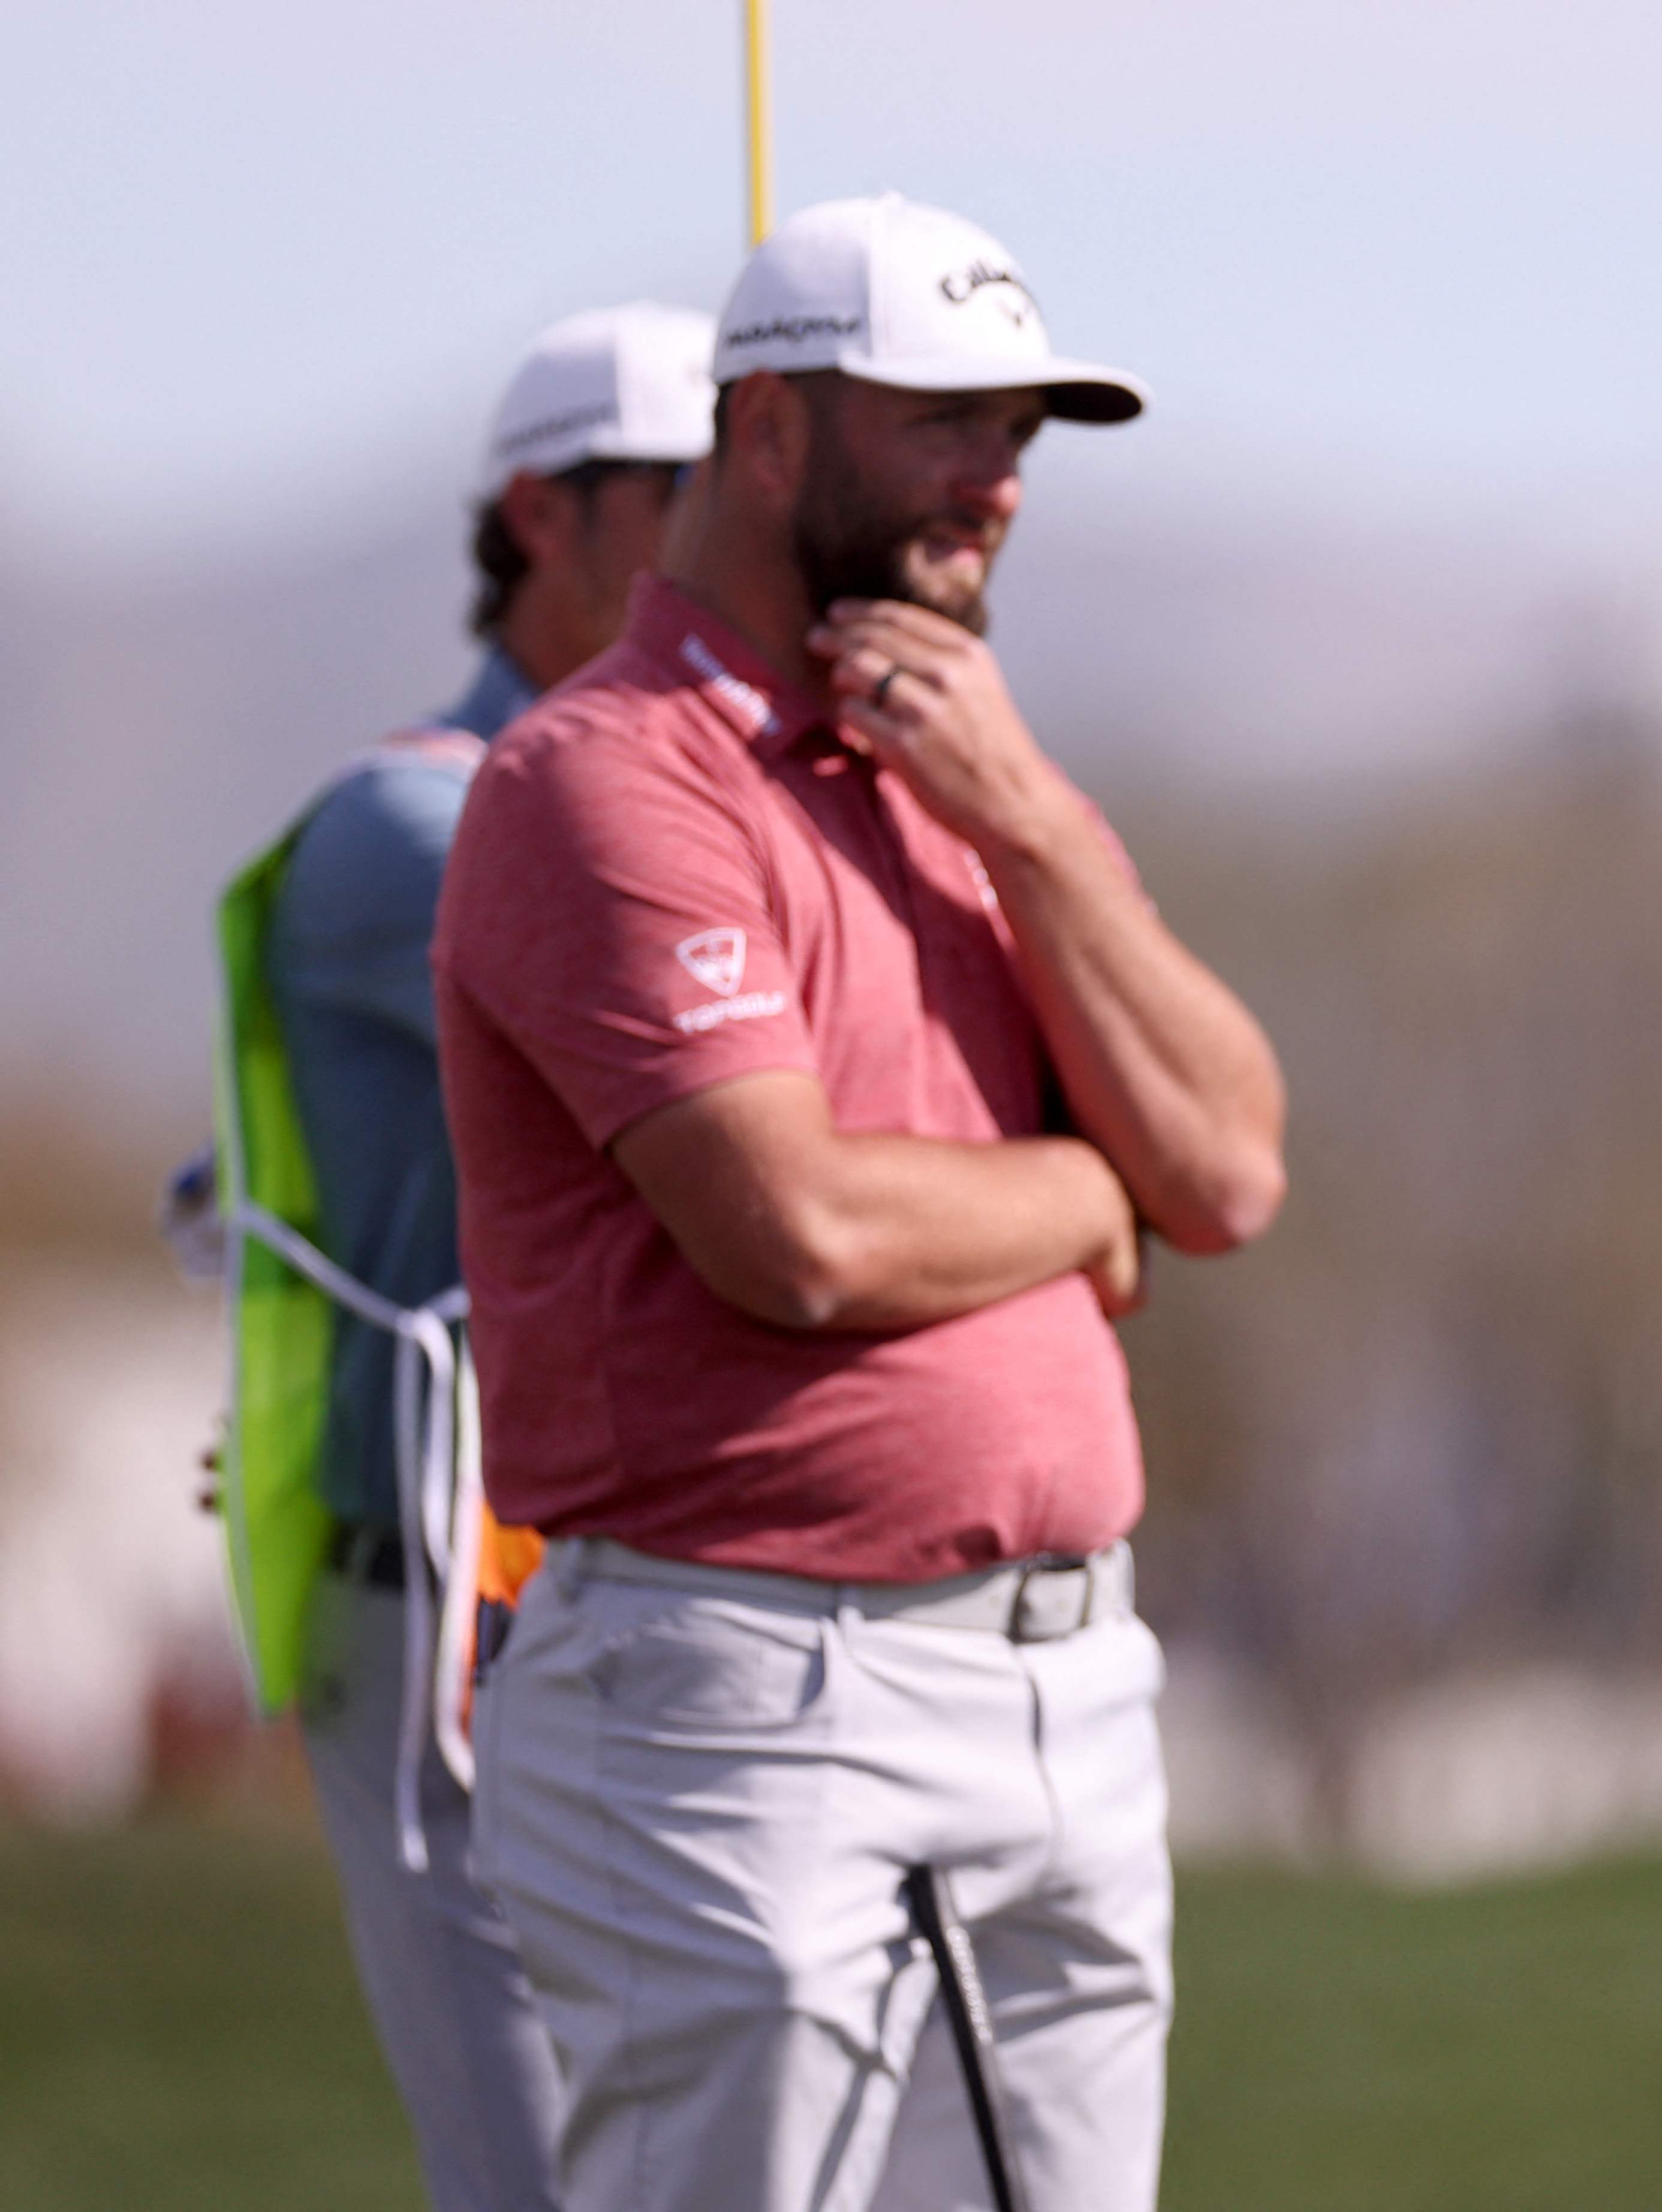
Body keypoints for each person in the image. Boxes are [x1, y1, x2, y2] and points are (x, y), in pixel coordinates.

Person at [432, 194, 1287, 2212]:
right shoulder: (601, 779)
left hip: (1066, 1686)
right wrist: (1087, 1197)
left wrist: (1030, 822)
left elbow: (1234, 1161)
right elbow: (796, 1230)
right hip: (737, 1700)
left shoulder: (962, 758)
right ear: (772, 434)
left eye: (1022, 435)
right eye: (944, 423)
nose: (997, 481)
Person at [197, 300, 715, 2212]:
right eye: (682, 493)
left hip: (650, 1573)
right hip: (438, 1587)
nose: (729, 540)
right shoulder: (411, 824)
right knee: (545, 2176)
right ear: (541, 515)